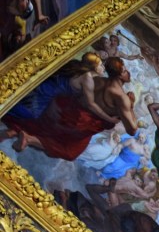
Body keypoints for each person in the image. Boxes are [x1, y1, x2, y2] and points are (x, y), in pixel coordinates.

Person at [2, 55, 138, 160]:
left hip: (66, 111)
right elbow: (132, 130)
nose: (128, 73)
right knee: (70, 151)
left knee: (45, 129)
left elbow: (80, 96)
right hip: (81, 124)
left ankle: (15, 132)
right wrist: (131, 106)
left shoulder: (97, 80)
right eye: (125, 71)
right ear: (119, 74)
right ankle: (29, 139)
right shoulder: (122, 98)